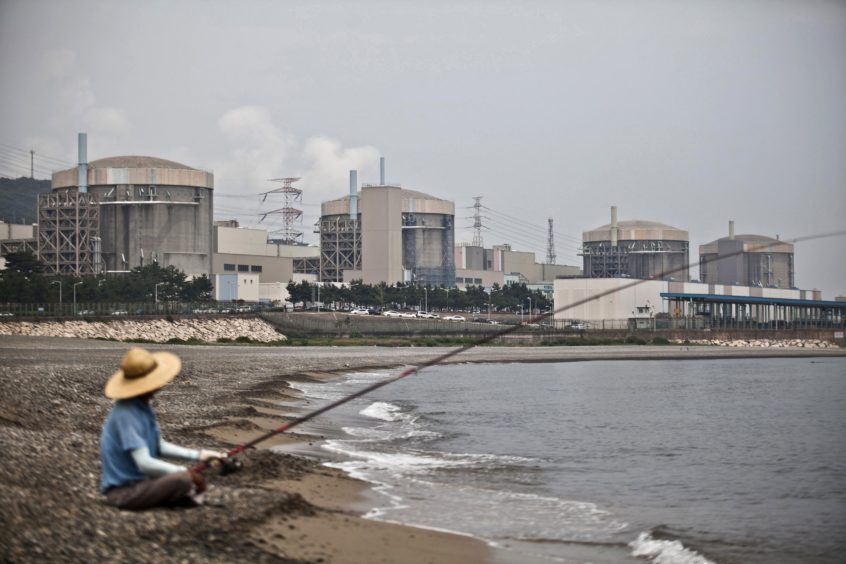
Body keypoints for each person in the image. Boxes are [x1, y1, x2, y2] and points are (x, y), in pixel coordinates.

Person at [100, 347, 226, 510]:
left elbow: (159, 446)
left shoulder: (141, 408)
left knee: (182, 480)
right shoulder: (127, 414)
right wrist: (188, 473)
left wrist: (200, 455)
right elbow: (144, 463)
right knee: (182, 480)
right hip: (124, 492)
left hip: (143, 483)